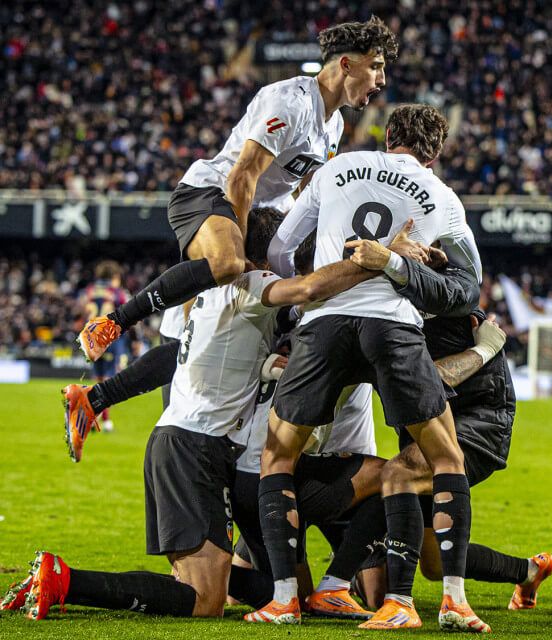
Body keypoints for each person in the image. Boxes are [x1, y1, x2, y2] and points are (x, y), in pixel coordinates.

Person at [2, 208, 382, 621]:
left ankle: (68, 580)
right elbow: (308, 288)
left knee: (230, 590)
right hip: (192, 447)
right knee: (203, 601)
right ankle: (65, 581)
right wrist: (378, 260)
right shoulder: (253, 285)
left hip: (196, 444)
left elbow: (205, 351)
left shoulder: (212, 293)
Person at [248, 104, 487, 631]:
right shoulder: (444, 198)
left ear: (388, 135)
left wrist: (307, 298)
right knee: (445, 456)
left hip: (324, 324)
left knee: (277, 456)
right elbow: (470, 286)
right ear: (435, 154)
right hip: (393, 325)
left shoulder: (337, 168)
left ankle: (284, 599)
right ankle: (449, 600)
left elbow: (282, 248)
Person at [75, 17, 397, 364]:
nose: (382, 80)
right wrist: (242, 249)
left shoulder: (335, 124)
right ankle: (113, 322)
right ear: (346, 65)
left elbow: (307, 192)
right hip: (213, 194)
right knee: (228, 264)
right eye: (375, 67)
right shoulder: (291, 102)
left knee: (287, 297)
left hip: (263, 215)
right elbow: (242, 177)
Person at [348, 237, 552, 611]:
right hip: (425, 423)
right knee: (433, 563)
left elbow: (426, 378)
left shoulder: (448, 294)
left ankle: (397, 603)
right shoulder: (380, 298)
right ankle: (528, 571)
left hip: (480, 421)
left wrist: (483, 350)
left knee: (397, 474)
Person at [80, 260, 131, 433]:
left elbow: (82, 311)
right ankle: (104, 420)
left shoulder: (89, 291)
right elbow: (129, 312)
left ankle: (94, 418)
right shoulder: (117, 293)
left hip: (92, 339)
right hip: (110, 339)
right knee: (109, 381)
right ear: (115, 276)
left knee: (98, 379)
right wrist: (134, 339)